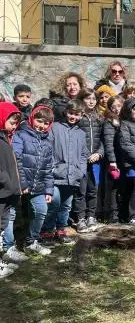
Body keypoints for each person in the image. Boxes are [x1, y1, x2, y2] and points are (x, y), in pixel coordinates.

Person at [11, 105, 54, 258]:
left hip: (39, 187)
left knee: (41, 210)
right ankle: (10, 246)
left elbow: (48, 168)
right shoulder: (20, 135)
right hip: (20, 185)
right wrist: (23, 184)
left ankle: (32, 241)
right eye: (39, 121)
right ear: (31, 119)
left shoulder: (48, 143)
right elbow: (16, 159)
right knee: (13, 216)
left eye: (45, 123)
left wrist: (49, 190)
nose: (41, 125)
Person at [43, 99, 88, 244]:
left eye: (77, 114)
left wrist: (81, 171)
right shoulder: (55, 127)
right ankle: (47, 232)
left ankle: (61, 230)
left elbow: (83, 154)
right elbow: (47, 149)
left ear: (81, 115)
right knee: (53, 204)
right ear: (65, 112)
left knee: (66, 206)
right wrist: (51, 168)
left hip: (72, 177)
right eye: (71, 113)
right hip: (55, 176)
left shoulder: (81, 133)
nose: (73, 117)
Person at [73, 88, 104, 233]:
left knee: (93, 189)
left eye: (94, 99)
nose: (91, 101)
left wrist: (99, 153)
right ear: (81, 99)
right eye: (88, 98)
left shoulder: (99, 117)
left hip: (95, 159)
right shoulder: (78, 117)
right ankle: (80, 219)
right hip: (81, 160)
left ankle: (91, 217)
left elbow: (104, 140)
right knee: (81, 190)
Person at [0, 102, 22, 278]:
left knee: (1, 227)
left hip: (8, 193)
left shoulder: (5, 138)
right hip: (2, 191)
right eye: (12, 122)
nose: (14, 126)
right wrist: (6, 181)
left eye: (16, 123)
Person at [101, 95, 125, 224]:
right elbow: (108, 143)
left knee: (121, 186)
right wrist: (112, 161)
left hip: (123, 158)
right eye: (113, 107)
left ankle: (121, 213)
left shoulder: (124, 120)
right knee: (113, 187)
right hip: (113, 158)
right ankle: (112, 214)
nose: (116, 109)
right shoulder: (109, 122)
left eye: (119, 106)